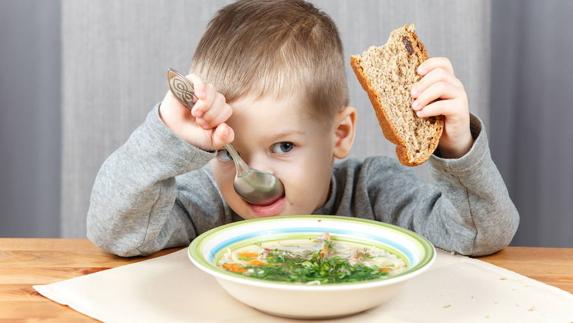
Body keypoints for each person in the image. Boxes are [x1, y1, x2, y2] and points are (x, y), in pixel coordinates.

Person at [87, 0, 519, 257]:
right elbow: (116, 233)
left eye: (284, 146)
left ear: (340, 134)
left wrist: (456, 148)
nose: (251, 175)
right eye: (227, 151)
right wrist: (167, 133)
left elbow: (481, 235)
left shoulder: (374, 193)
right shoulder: (209, 205)